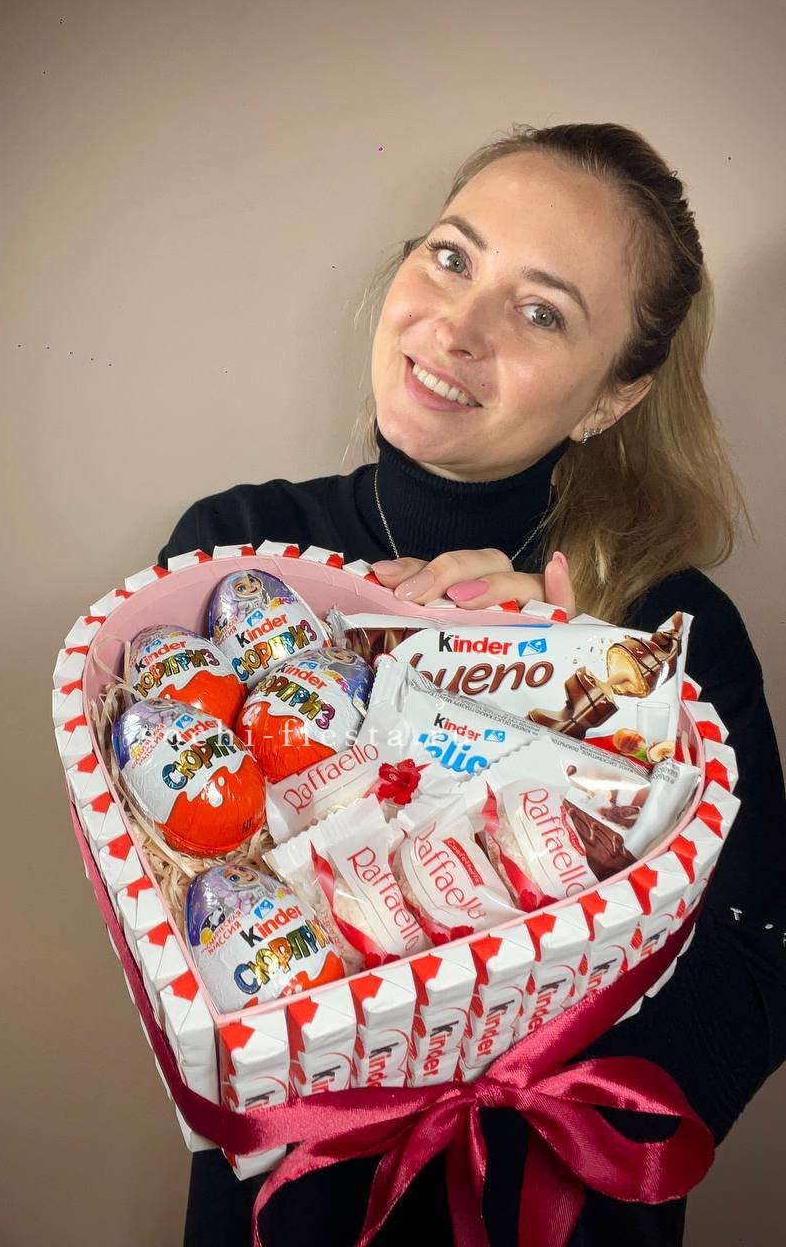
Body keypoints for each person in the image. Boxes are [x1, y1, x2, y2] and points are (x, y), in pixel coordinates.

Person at [158, 123, 786, 1246]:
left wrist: (558, 707)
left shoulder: (661, 642)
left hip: (541, 1206)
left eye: (540, 311)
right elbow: (188, 919)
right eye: (451, 257)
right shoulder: (232, 562)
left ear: (611, 397)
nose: (457, 325)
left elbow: (761, 964)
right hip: (291, 1209)